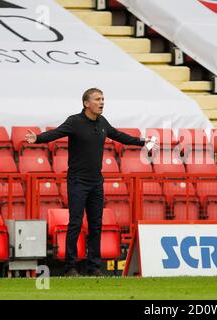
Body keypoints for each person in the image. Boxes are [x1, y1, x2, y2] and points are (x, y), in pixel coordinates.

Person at [25, 88, 156, 277]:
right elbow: (56, 133)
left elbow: (119, 136)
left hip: (96, 182)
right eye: (97, 99)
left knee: (96, 225)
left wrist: (142, 141)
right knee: (75, 223)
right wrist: (37, 138)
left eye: (103, 99)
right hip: (77, 181)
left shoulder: (102, 122)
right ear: (86, 103)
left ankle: (94, 268)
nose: (102, 102)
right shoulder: (75, 121)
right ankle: (70, 267)